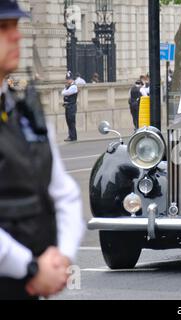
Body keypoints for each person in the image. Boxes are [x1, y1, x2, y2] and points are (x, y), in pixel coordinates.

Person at [0, 0, 84, 300]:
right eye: (2, 28)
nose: (15, 36)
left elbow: (65, 193)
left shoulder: (24, 111)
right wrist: (32, 268)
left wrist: (60, 258)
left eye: (14, 26)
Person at [61, 72, 78, 142]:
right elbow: (63, 92)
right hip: (67, 106)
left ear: (72, 79)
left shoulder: (74, 87)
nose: (67, 80)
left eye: (68, 79)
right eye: (67, 79)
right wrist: (66, 88)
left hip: (71, 107)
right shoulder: (68, 86)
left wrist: (65, 89)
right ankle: (70, 135)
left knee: (71, 122)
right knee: (68, 122)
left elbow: (64, 93)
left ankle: (73, 137)